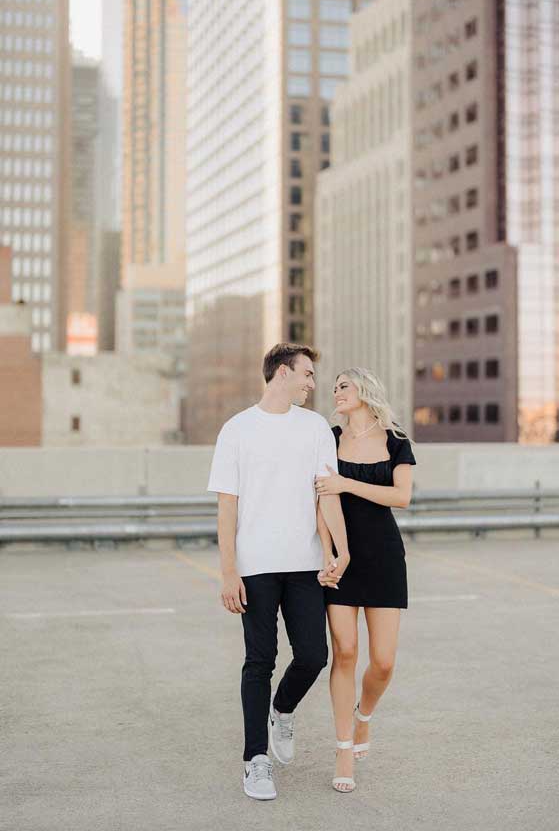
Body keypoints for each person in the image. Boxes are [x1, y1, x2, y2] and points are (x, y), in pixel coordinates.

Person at [207, 343, 350, 801]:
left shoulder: (315, 430)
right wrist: (229, 572)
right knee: (259, 661)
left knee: (313, 655)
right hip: (255, 566)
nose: (313, 383)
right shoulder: (237, 430)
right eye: (307, 374)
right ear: (282, 373)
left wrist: (334, 552)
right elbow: (226, 507)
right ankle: (255, 762)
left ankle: (282, 710)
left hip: (306, 563)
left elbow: (326, 496)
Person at [315, 367, 416, 793]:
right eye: (333, 387)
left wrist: (347, 481)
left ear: (365, 391)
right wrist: (329, 555)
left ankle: (364, 717)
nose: (335, 392)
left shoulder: (397, 441)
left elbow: (401, 497)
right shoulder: (328, 439)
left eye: (344, 386)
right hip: (341, 557)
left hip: (385, 557)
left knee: (385, 660)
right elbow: (323, 498)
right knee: (345, 652)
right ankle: (342, 749)